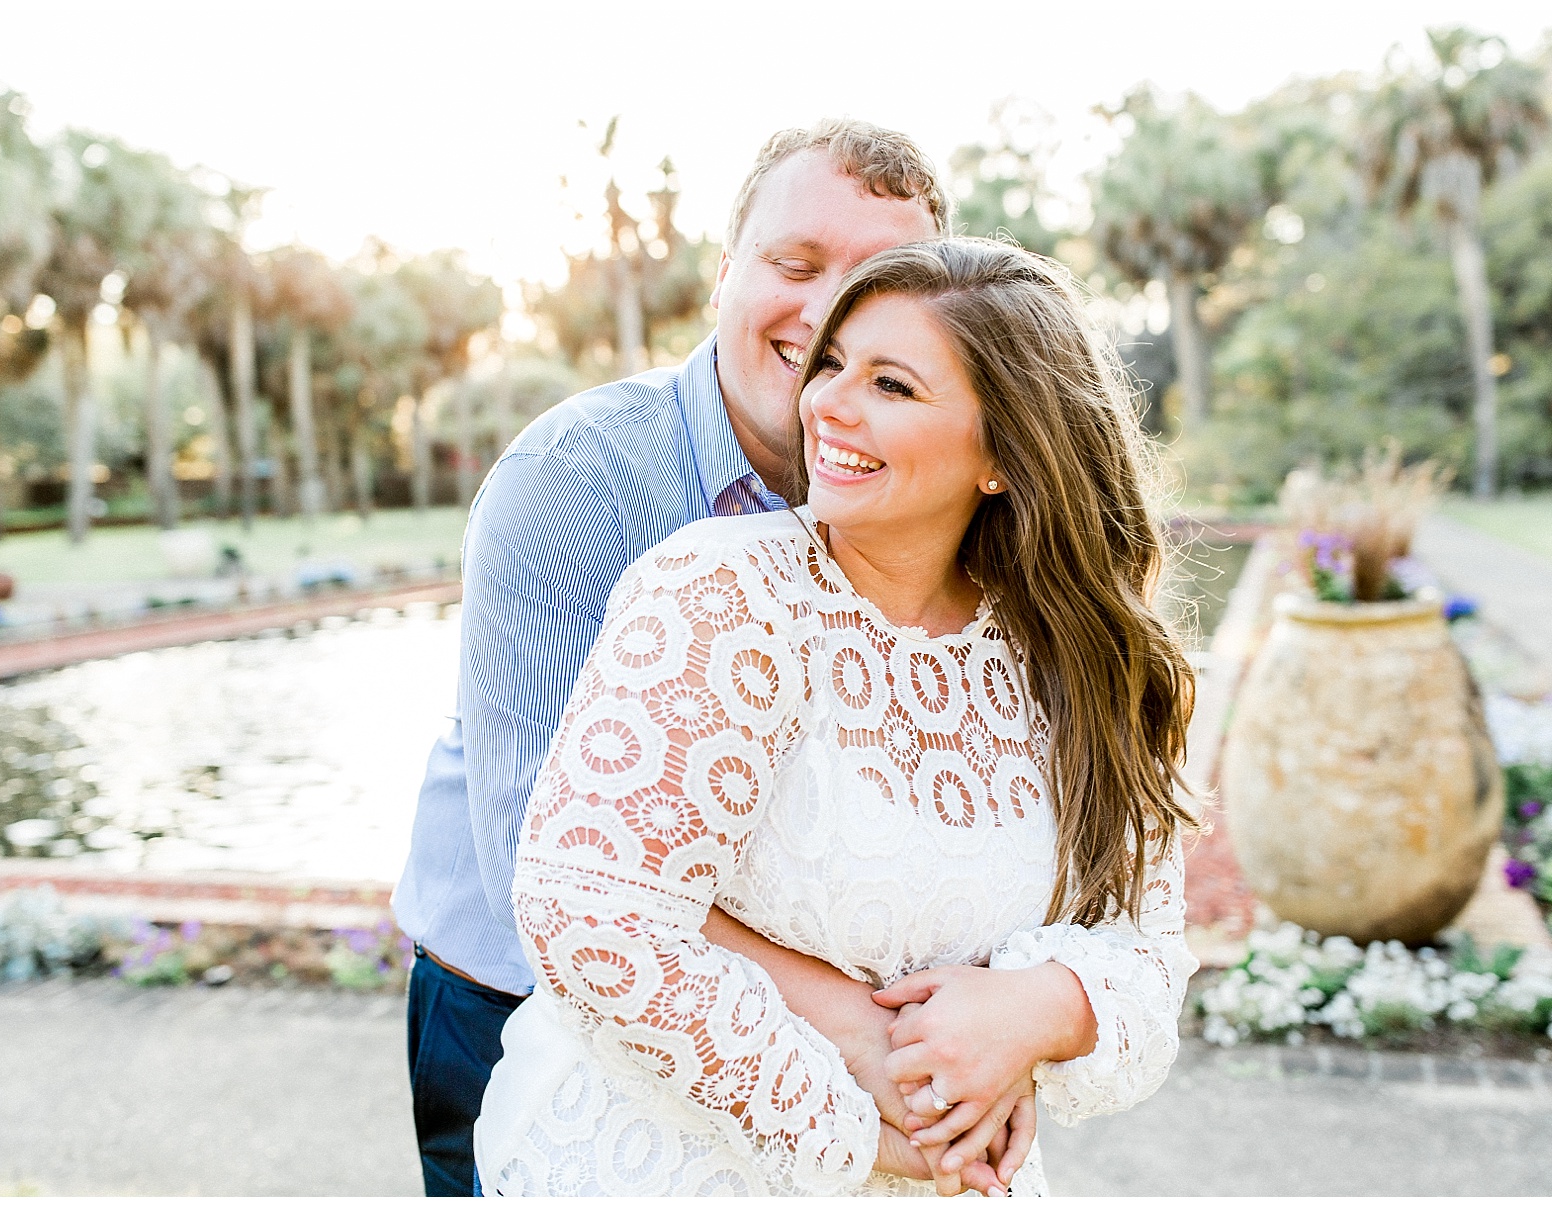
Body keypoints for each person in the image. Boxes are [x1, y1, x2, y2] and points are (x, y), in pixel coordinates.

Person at [473, 237, 1200, 1195]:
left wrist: (1039, 1012)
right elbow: (589, 911)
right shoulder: (727, 594)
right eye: (833, 365)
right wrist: (851, 1126)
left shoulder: (1080, 659)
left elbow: (1150, 952)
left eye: (891, 385)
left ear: (1003, 452)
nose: (826, 404)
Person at [391, 119, 950, 1196]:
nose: (829, 312)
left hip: (820, 1025)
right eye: (796, 264)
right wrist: (866, 1027)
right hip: (522, 1015)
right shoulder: (572, 483)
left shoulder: (929, 493)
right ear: (724, 275)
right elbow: (550, 875)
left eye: (878, 280)